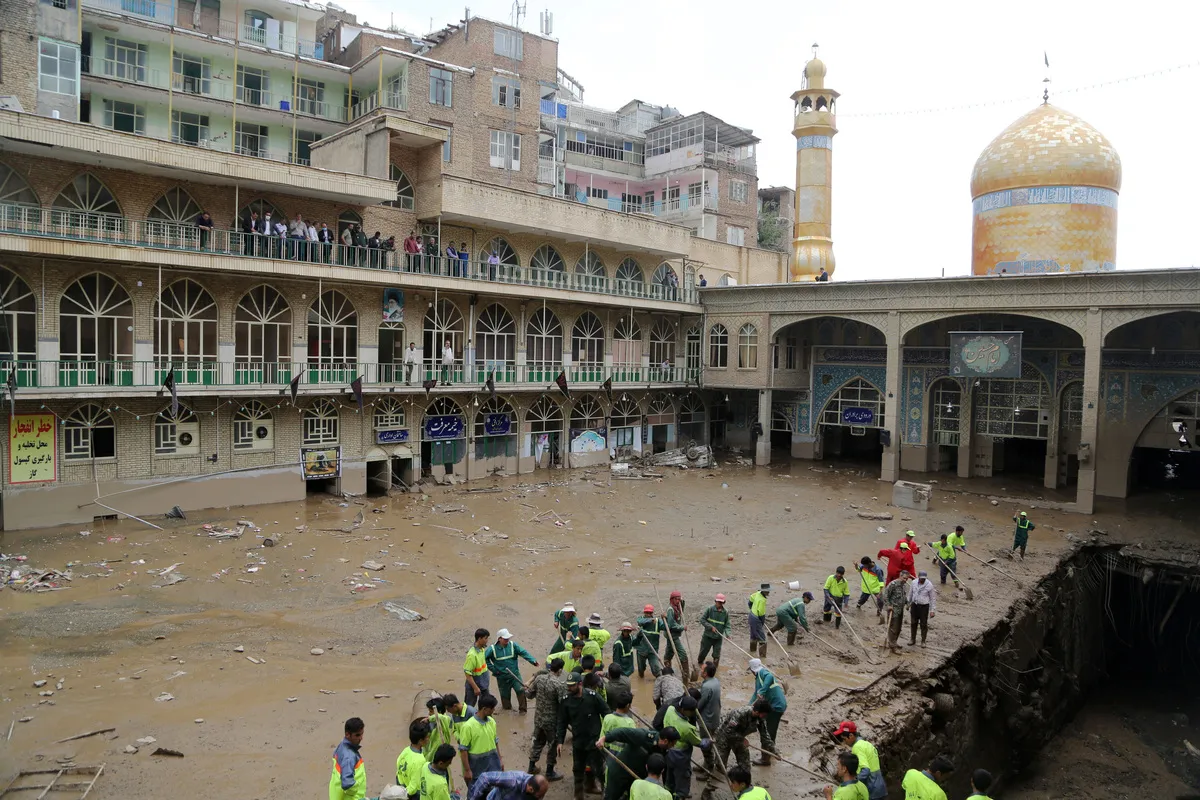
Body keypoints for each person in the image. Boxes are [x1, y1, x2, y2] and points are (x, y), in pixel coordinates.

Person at [556, 671, 610, 800]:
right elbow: (562, 722)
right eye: (568, 685)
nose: (569, 688)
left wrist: (606, 736)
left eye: (572, 686)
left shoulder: (593, 696)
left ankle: (604, 792)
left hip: (594, 741)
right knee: (578, 769)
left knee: (598, 769)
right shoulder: (566, 701)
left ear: (580, 684)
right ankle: (578, 795)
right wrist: (560, 741)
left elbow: (606, 713)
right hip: (579, 741)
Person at [598, 727, 680, 800]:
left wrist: (666, 789)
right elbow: (623, 732)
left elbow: (662, 769)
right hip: (619, 772)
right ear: (665, 741)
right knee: (611, 797)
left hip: (636, 779)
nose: (673, 746)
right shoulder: (644, 736)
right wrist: (605, 738)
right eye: (673, 743)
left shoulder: (664, 751)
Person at [662, 694, 708, 800]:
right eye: (691, 711)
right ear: (683, 709)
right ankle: (680, 796)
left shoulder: (670, 710)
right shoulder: (686, 727)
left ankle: (667, 795)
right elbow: (699, 743)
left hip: (668, 751)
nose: (692, 713)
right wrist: (708, 742)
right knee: (682, 781)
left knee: (670, 779)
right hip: (680, 757)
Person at [527, 657, 567, 780]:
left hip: (538, 719)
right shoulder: (558, 685)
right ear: (560, 670)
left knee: (538, 743)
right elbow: (562, 704)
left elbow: (529, 694)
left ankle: (531, 767)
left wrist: (527, 689)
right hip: (551, 721)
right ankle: (549, 772)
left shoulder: (539, 679)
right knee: (552, 745)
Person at [487, 628, 539, 713]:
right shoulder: (492, 649)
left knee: (520, 690)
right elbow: (485, 659)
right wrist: (494, 669)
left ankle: (523, 710)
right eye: (505, 639)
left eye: (508, 638)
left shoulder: (513, 645)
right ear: (499, 639)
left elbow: (523, 652)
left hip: (514, 675)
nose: (507, 640)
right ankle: (507, 710)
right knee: (505, 695)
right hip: (501, 677)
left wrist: (532, 660)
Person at [713, 700, 773, 773]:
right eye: (764, 714)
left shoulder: (760, 718)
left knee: (745, 765)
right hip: (724, 735)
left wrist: (774, 751)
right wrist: (742, 739)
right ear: (757, 712)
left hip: (739, 737)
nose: (764, 717)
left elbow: (765, 735)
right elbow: (728, 731)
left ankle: (743, 778)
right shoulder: (741, 713)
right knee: (721, 765)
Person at [832, 721, 885, 800]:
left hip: (872, 790)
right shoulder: (866, 744)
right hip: (879, 787)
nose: (844, 742)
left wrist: (851, 783)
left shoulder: (857, 747)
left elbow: (865, 770)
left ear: (851, 735)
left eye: (844, 739)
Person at [458, 694, 502, 789]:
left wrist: (500, 760)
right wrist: (467, 770)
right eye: (492, 708)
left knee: (494, 790)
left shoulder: (492, 722)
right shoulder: (468, 726)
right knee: (477, 791)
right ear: (484, 709)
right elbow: (463, 750)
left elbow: (495, 742)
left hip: (493, 763)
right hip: (477, 766)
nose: (494, 710)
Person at [748, 658, 785, 765]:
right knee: (767, 729)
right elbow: (756, 694)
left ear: (752, 670)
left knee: (768, 732)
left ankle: (765, 759)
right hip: (773, 706)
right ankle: (770, 751)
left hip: (776, 707)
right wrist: (748, 706)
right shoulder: (758, 679)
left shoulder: (762, 673)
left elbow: (770, 676)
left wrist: (763, 690)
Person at [599, 690, 637, 793]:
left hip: (609, 757)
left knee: (609, 784)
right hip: (624, 760)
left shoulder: (607, 718)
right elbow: (633, 745)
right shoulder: (630, 722)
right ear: (628, 705)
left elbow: (602, 741)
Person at [329, 716, 366, 800]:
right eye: (357, 735)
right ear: (347, 734)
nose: (361, 738)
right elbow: (347, 783)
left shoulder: (341, 747)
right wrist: (356, 789)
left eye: (362, 733)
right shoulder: (349, 757)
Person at [696, 661, 721, 771]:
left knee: (705, 743)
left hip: (706, 719)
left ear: (705, 673)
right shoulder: (716, 681)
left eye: (702, 670)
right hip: (715, 717)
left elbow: (700, 705)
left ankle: (708, 767)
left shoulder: (706, 686)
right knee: (710, 741)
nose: (700, 671)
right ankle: (708, 763)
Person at [397, 720, 430, 800]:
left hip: (402, 787)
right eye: (427, 737)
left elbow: (398, 773)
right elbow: (414, 786)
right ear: (420, 741)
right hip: (414, 795)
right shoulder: (420, 760)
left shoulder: (405, 751)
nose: (428, 739)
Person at [697, 594, 730, 671]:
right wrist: (710, 627)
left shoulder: (725, 612)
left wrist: (728, 634)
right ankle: (700, 663)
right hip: (708, 636)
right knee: (703, 653)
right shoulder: (710, 609)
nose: (720, 604)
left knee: (716, 655)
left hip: (718, 638)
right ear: (715, 601)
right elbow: (702, 620)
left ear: (724, 603)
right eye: (718, 602)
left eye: (721, 602)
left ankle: (714, 671)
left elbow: (727, 625)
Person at [882, 571, 911, 654]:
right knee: (893, 628)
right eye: (904, 578)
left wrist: (907, 603)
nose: (905, 580)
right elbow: (886, 595)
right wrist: (889, 605)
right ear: (900, 576)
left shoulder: (903, 586)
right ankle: (892, 646)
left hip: (900, 609)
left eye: (907, 578)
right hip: (893, 610)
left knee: (898, 628)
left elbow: (904, 597)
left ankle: (894, 642)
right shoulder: (893, 584)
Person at [468, 771, 548, 800]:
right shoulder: (512, 780)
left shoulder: (537, 787)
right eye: (539, 796)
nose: (540, 798)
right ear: (530, 789)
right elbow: (484, 778)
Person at [907, 571, 936, 647]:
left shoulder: (929, 585)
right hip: (914, 605)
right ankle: (912, 639)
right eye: (921, 578)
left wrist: (932, 610)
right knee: (913, 623)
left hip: (924, 607)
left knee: (923, 624)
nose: (922, 580)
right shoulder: (913, 582)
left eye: (924, 579)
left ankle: (923, 641)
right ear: (918, 577)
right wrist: (908, 603)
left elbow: (932, 598)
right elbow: (910, 593)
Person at [661, 592, 688, 673]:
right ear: (672, 600)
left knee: (669, 652)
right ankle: (686, 675)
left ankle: (667, 669)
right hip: (672, 635)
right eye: (676, 599)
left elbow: (682, 607)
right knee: (682, 654)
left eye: (679, 599)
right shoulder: (671, 610)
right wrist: (682, 627)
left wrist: (681, 601)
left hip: (674, 635)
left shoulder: (678, 607)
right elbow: (672, 625)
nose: (678, 601)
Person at [635, 605, 664, 678]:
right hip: (641, 650)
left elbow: (665, 626)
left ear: (652, 613)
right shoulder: (640, 619)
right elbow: (640, 621)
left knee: (656, 670)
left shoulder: (657, 621)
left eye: (650, 613)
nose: (648, 614)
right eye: (647, 613)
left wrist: (665, 619)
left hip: (653, 651)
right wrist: (650, 620)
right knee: (641, 670)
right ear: (644, 613)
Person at [464, 628, 492, 706]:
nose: (487, 640)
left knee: (486, 705)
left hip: (483, 684)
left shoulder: (482, 649)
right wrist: (475, 688)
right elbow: (467, 674)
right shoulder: (472, 655)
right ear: (479, 639)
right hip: (474, 685)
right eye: (486, 638)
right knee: (469, 706)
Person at [423, 697, 455, 761]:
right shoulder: (434, 721)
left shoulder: (446, 719)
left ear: (439, 711)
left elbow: (440, 717)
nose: (429, 713)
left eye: (431, 711)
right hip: (431, 748)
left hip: (440, 748)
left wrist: (428, 719)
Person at [856, 557, 885, 622]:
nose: (863, 566)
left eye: (865, 565)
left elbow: (881, 581)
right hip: (867, 587)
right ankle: (858, 605)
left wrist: (880, 591)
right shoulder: (863, 566)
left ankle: (879, 611)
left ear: (869, 563)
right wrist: (856, 566)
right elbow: (858, 570)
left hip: (875, 588)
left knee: (880, 601)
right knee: (863, 599)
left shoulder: (878, 570)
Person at [748, 583, 770, 657]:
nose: (768, 592)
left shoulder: (757, 593)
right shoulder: (762, 600)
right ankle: (762, 657)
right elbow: (761, 613)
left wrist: (751, 607)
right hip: (756, 618)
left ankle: (752, 651)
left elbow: (751, 598)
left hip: (751, 615)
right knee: (762, 639)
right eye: (767, 591)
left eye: (769, 590)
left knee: (753, 635)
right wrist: (761, 622)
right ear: (763, 591)